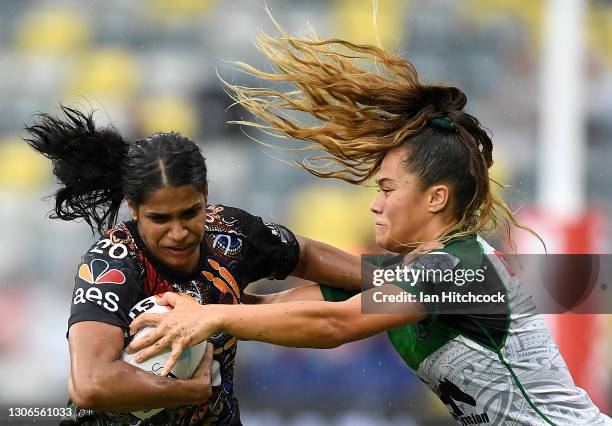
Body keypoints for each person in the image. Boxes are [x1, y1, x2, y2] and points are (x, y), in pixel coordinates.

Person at [126, 29, 612, 425]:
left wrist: (212, 318)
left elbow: (336, 324)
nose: (375, 206)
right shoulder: (405, 274)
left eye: (387, 189)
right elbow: (290, 314)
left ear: (436, 197)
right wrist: (205, 302)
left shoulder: (462, 269)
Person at [24, 106, 363, 425]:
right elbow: (90, 384)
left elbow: (305, 259)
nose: (178, 233)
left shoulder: (229, 234)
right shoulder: (111, 263)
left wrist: (403, 281)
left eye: (190, 212)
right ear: (134, 208)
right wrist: (188, 391)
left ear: (205, 195)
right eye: (160, 219)